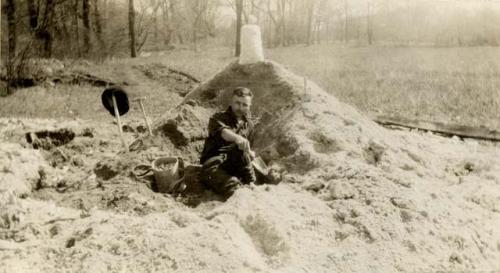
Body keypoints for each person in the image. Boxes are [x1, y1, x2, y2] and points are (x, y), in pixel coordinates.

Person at [200, 87, 256, 198]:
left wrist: (250, 153)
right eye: (237, 103)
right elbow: (224, 133)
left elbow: (246, 152)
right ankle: (241, 186)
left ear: (250, 106)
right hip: (215, 164)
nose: (240, 108)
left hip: (235, 164)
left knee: (242, 152)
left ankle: (251, 182)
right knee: (233, 189)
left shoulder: (249, 125)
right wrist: (238, 138)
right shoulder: (217, 118)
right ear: (231, 102)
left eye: (245, 105)